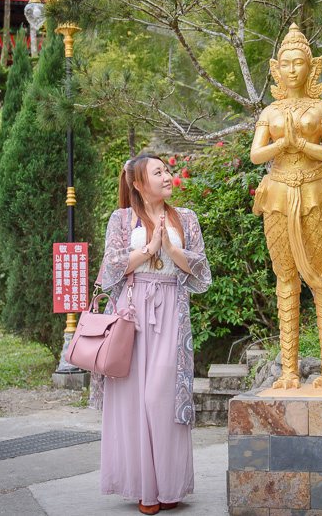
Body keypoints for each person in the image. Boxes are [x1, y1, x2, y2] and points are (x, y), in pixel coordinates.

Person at [89, 153, 211, 515]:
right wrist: (148, 250)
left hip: (172, 308)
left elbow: (202, 274)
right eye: (157, 172)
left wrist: (171, 249)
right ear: (138, 184)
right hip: (132, 311)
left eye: (167, 170)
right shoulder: (122, 219)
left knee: (162, 396)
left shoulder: (185, 217)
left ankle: (170, 484)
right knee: (133, 397)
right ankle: (145, 489)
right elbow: (110, 269)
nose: (166, 176)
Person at [249, 23, 322, 390]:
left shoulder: (321, 107)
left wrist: (301, 146)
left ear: (311, 68)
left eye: (298, 63)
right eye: (285, 63)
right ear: (277, 69)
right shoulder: (270, 112)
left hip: (314, 193)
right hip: (276, 195)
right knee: (285, 278)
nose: (292, 69)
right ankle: (288, 369)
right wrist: (281, 145)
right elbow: (257, 154)